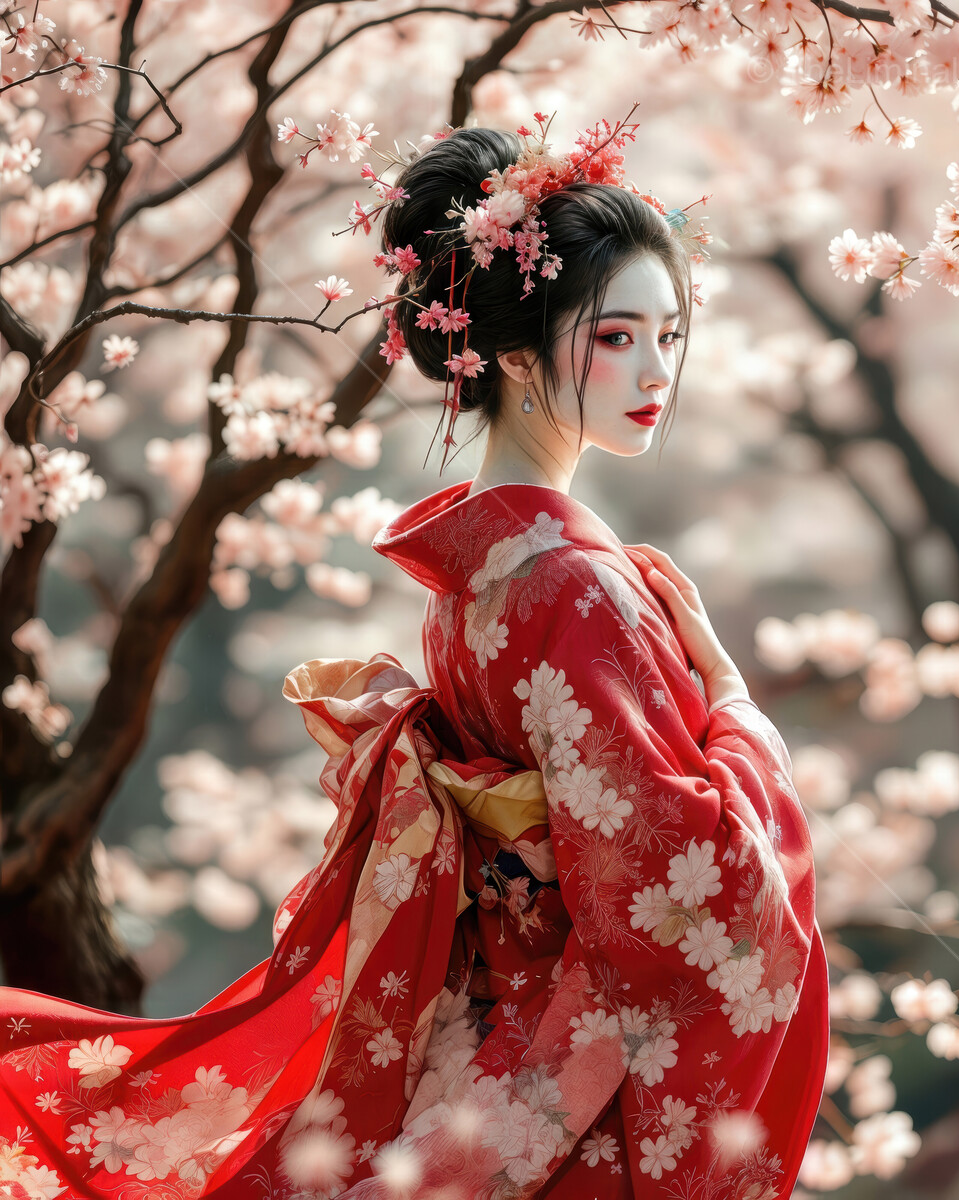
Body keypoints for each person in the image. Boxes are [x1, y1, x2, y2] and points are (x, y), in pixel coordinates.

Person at [0, 122, 828, 1200]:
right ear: (521, 354)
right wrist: (733, 701)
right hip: (566, 1082)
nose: (657, 369)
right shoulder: (574, 585)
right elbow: (691, 887)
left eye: (671, 334)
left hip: (494, 1040)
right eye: (618, 336)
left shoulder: (478, 571)